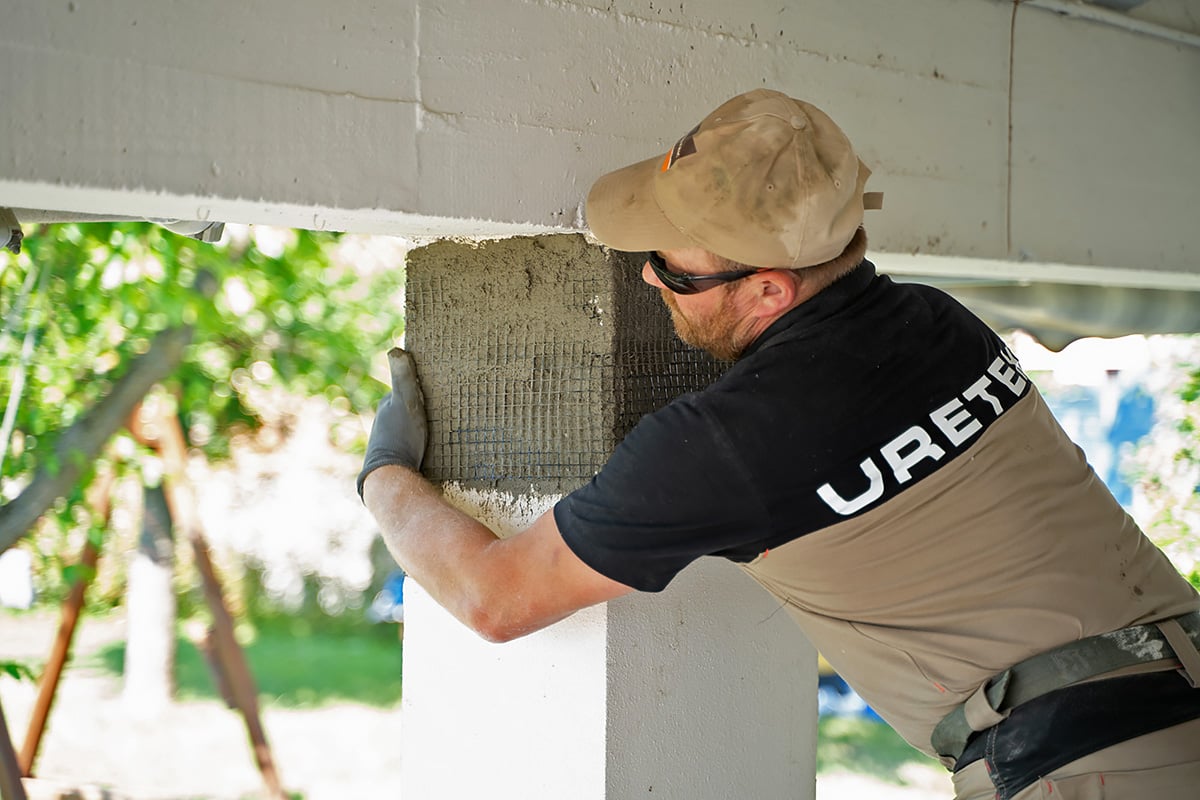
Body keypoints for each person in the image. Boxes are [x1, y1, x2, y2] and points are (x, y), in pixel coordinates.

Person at [358, 89, 1200, 799]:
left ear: (769, 288)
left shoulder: (729, 445)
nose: (649, 276)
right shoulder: (941, 325)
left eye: (673, 268)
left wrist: (385, 477)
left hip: (1098, 766)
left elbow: (495, 599)